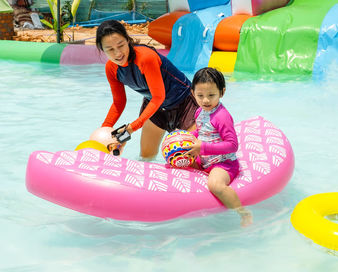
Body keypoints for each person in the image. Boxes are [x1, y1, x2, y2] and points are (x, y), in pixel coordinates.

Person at [95, 20, 198, 159]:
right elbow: (119, 103)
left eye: (121, 45)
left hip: (185, 105)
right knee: (146, 157)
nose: (118, 53)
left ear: (128, 40)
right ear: (102, 49)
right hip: (156, 109)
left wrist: (131, 128)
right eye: (110, 49)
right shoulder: (111, 68)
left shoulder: (145, 58)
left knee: (190, 157)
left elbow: (158, 96)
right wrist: (105, 130)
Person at [185, 67, 253, 227]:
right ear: (193, 93)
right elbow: (201, 132)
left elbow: (232, 145)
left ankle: (243, 213)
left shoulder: (221, 116)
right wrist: (186, 138)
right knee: (178, 161)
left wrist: (203, 148)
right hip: (205, 161)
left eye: (211, 95)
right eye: (200, 96)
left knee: (215, 185)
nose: (206, 100)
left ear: (222, 92)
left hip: (223, 164)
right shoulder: (199, 111)